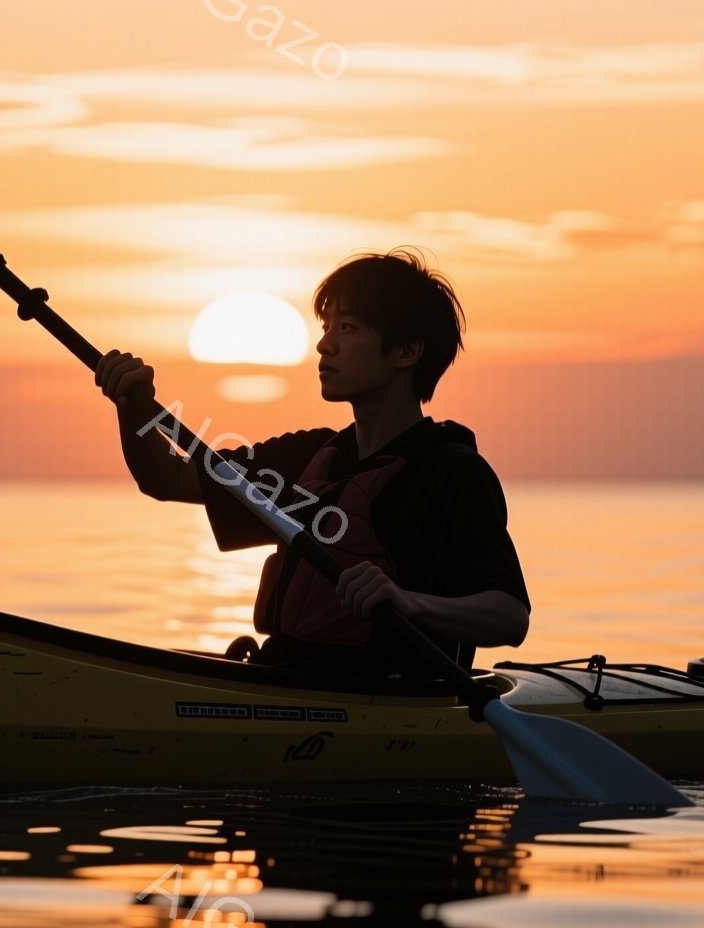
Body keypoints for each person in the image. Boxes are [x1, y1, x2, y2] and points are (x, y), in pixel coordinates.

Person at [95, 248, 529, 677]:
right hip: (281, 676)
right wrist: (134, 407)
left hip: (381, 695)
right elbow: (167, 477)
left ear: (406, 352)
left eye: (347, 327)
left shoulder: (451, 473)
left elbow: (509, 616)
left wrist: (407, 601)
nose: (324, 344)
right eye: (326, 327)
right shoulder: (305, 458)